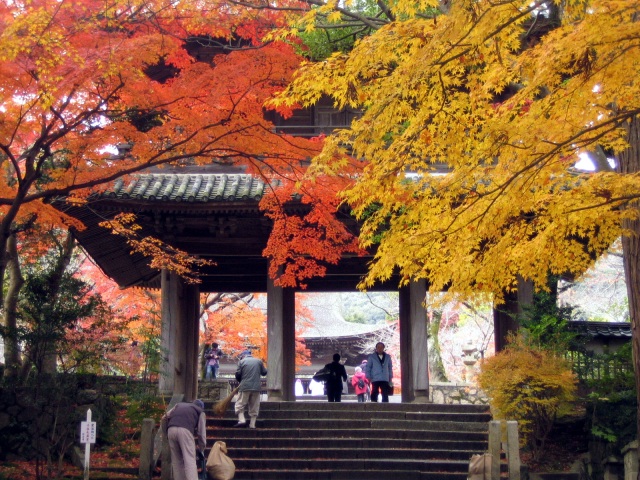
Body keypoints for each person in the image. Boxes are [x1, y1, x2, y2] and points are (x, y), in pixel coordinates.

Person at [164, 399, 207, 480]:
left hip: (171, 430)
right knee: (189, 460)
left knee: (177, 461)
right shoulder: (200, 411)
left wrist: (165, 433)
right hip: (185, 432)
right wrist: (201, 448)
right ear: (201, 407)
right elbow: (201, 433)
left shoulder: (178, 405)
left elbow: (164, 417)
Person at [234, 349, 267, 429]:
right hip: (256, 387)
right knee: (254, 406)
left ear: (243, 356)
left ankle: (242, 420)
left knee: (240, 404)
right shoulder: (258, 361)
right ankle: (252, 424)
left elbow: (238, 374)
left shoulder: (241, 362)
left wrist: (240, 381)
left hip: (245, 386)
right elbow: (264, 372)